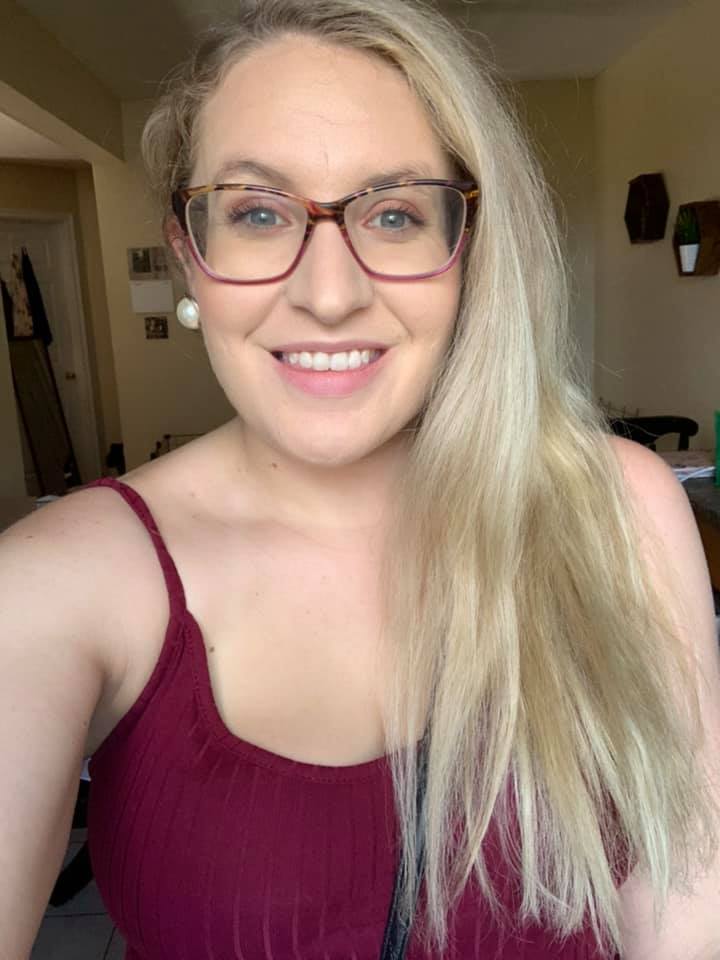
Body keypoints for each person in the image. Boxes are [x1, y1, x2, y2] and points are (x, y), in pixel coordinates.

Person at [2, 1, 719, 958]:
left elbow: (687, 918)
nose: (330, 295)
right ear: (189, 252)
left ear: (466, 250)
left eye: (394, 213)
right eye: (259, 213)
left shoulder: (620, 511)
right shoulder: (64, 579)